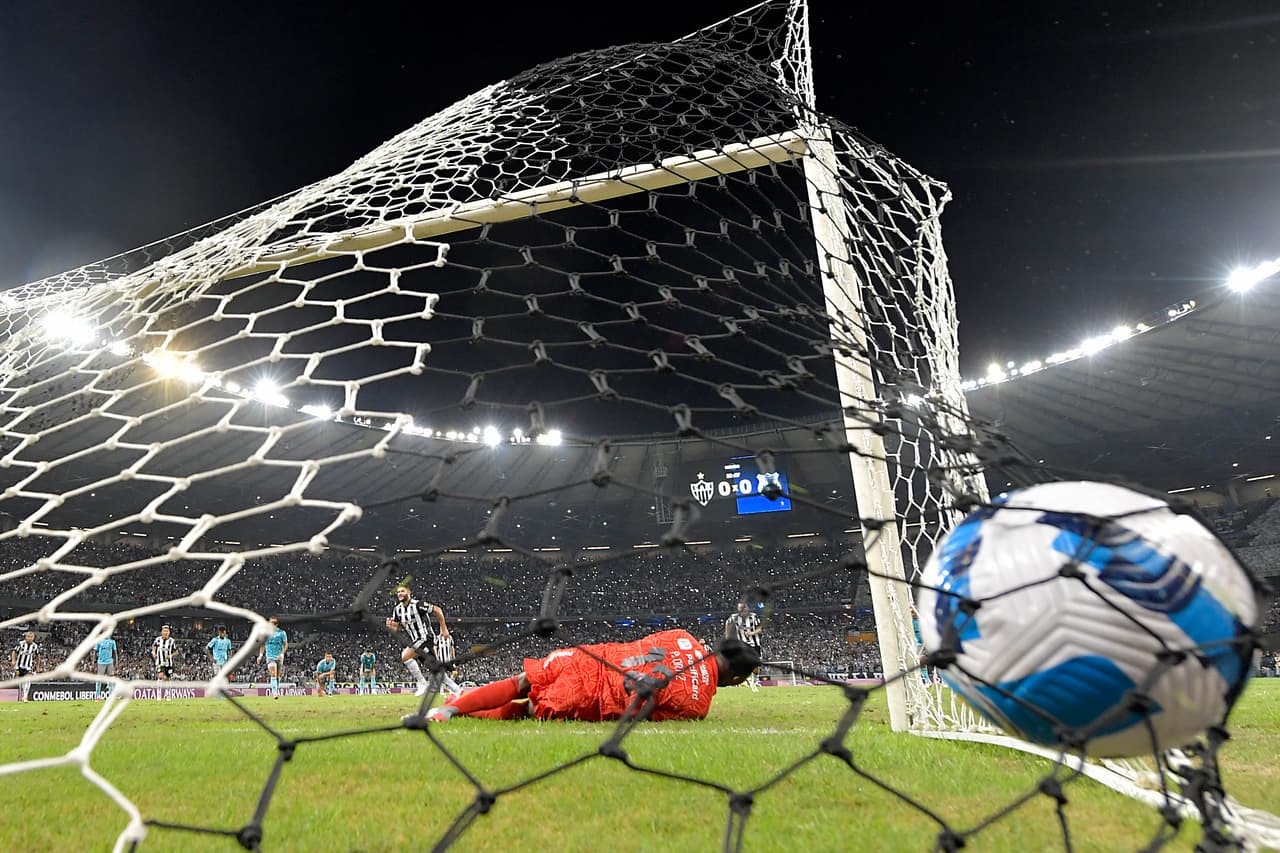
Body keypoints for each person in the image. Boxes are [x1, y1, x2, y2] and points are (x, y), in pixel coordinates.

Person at [423, 631, 758, 723]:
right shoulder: (698, 705)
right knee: (527, 710)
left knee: (522, 681)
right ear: (737, 680)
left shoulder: (683, 636)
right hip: (591, 697)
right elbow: (644, 713)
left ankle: (453, 707)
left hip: (589, 657)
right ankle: (458, 709)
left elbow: (644, 645)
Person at [385, 584, 451, 697]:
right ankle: (456, 690)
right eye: (398, 592)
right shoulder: (397, 610)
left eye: (402, 591)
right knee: (435, 669)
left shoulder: (418, 604)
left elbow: (437, 610)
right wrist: (390, 627)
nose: (399, 593)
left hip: (426, 638)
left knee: (405, 656)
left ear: (409, 592)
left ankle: (422, 683)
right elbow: (396, 628)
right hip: (417, 640)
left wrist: (444, 629)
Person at [724, 602, 764, 691]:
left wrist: (752, 633)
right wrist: (728, 637)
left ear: (747, 608)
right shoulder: (734, 617)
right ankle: (739, 681)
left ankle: (755, 681)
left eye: (744, 608)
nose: (742, 610)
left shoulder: (754, 616)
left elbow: (760, 628)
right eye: (740, 608)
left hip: (755, 644)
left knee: (756, 666)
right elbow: (727, 623)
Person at [255, 616, 289, 699]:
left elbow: (286, 644)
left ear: (276, 624)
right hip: (270, 657)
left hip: (279, 657)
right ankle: (274, 693)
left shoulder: (282, 633)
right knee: (273, 673)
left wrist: (282, 654)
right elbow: (262, 645)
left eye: (273, 623)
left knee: (277, 676)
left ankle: (276, 690)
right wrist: (260, 655)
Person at [11, 630, 41, 702]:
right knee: (20, 681)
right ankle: (22, 694)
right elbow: (14, 651)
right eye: (28, 636)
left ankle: (25, 696)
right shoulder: (21, 644)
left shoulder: (35, 646)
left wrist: (37, 666)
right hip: (18, 667)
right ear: (25, 637)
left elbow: (38, 656)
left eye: (31, 637)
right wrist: (13, 660)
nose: (30, 638)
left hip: (28, 667)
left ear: (33, 638)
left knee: (28, 680)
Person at [433, 631, 464, 697]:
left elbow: (452, 647)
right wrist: (436, 657)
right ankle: (441, 690)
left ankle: (450, 688)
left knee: (455, 672)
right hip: (441, 660)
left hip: (449, 660)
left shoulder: (450, 637)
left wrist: (454, 657)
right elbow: (435, 647)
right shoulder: (437, 638)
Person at [152, 625, 177, 699]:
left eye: (167, 631)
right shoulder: (158, 639)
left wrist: (171, 655)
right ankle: (158, 695)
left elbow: (176, 651)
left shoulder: (172, 641)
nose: (165, 632)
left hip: (168, 663)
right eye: (164, 631)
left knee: (168, 679)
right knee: (160, 676)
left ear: (169, 632)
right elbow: (154, 646)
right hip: (160, 662)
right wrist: (153, 652)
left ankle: (168, 695)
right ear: (161, 632)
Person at [93, 634, 117, 700]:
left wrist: (116, 662)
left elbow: (115, 652)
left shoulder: (112, 642)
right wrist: (93, 661)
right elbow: (95, 651)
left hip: (110, 662)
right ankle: (98, 696)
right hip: (101, 662)